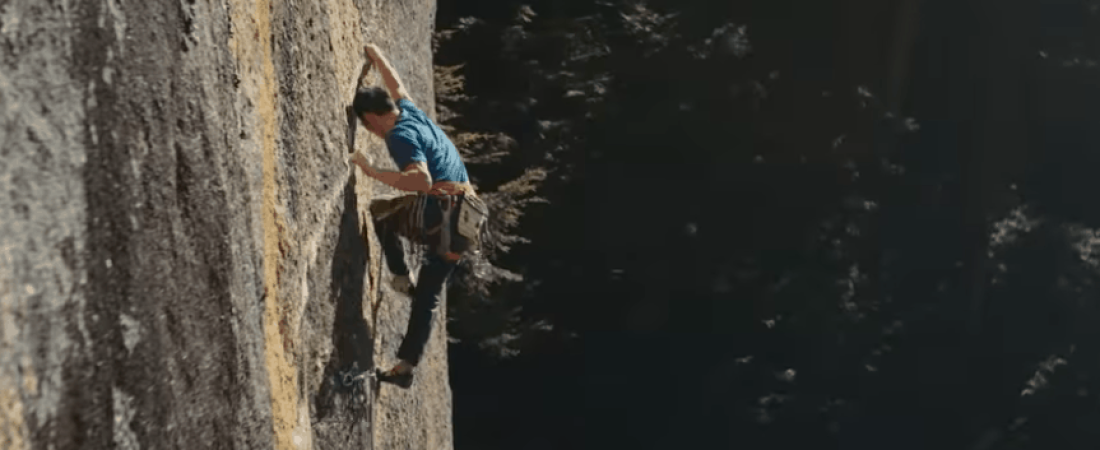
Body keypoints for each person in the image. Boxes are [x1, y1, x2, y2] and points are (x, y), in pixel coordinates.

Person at [348, 44, 488, 389]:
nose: (371, 132)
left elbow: (421, 180)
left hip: (445, 212)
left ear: (373, 118)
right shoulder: (409, 113)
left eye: (367, 126)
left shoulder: (398, 135)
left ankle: (398, 275)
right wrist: (377, 57)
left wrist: (371, 170)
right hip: (468, 221)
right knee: (427, 295)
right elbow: (399, 88)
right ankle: (405, 368)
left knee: (381, 213)